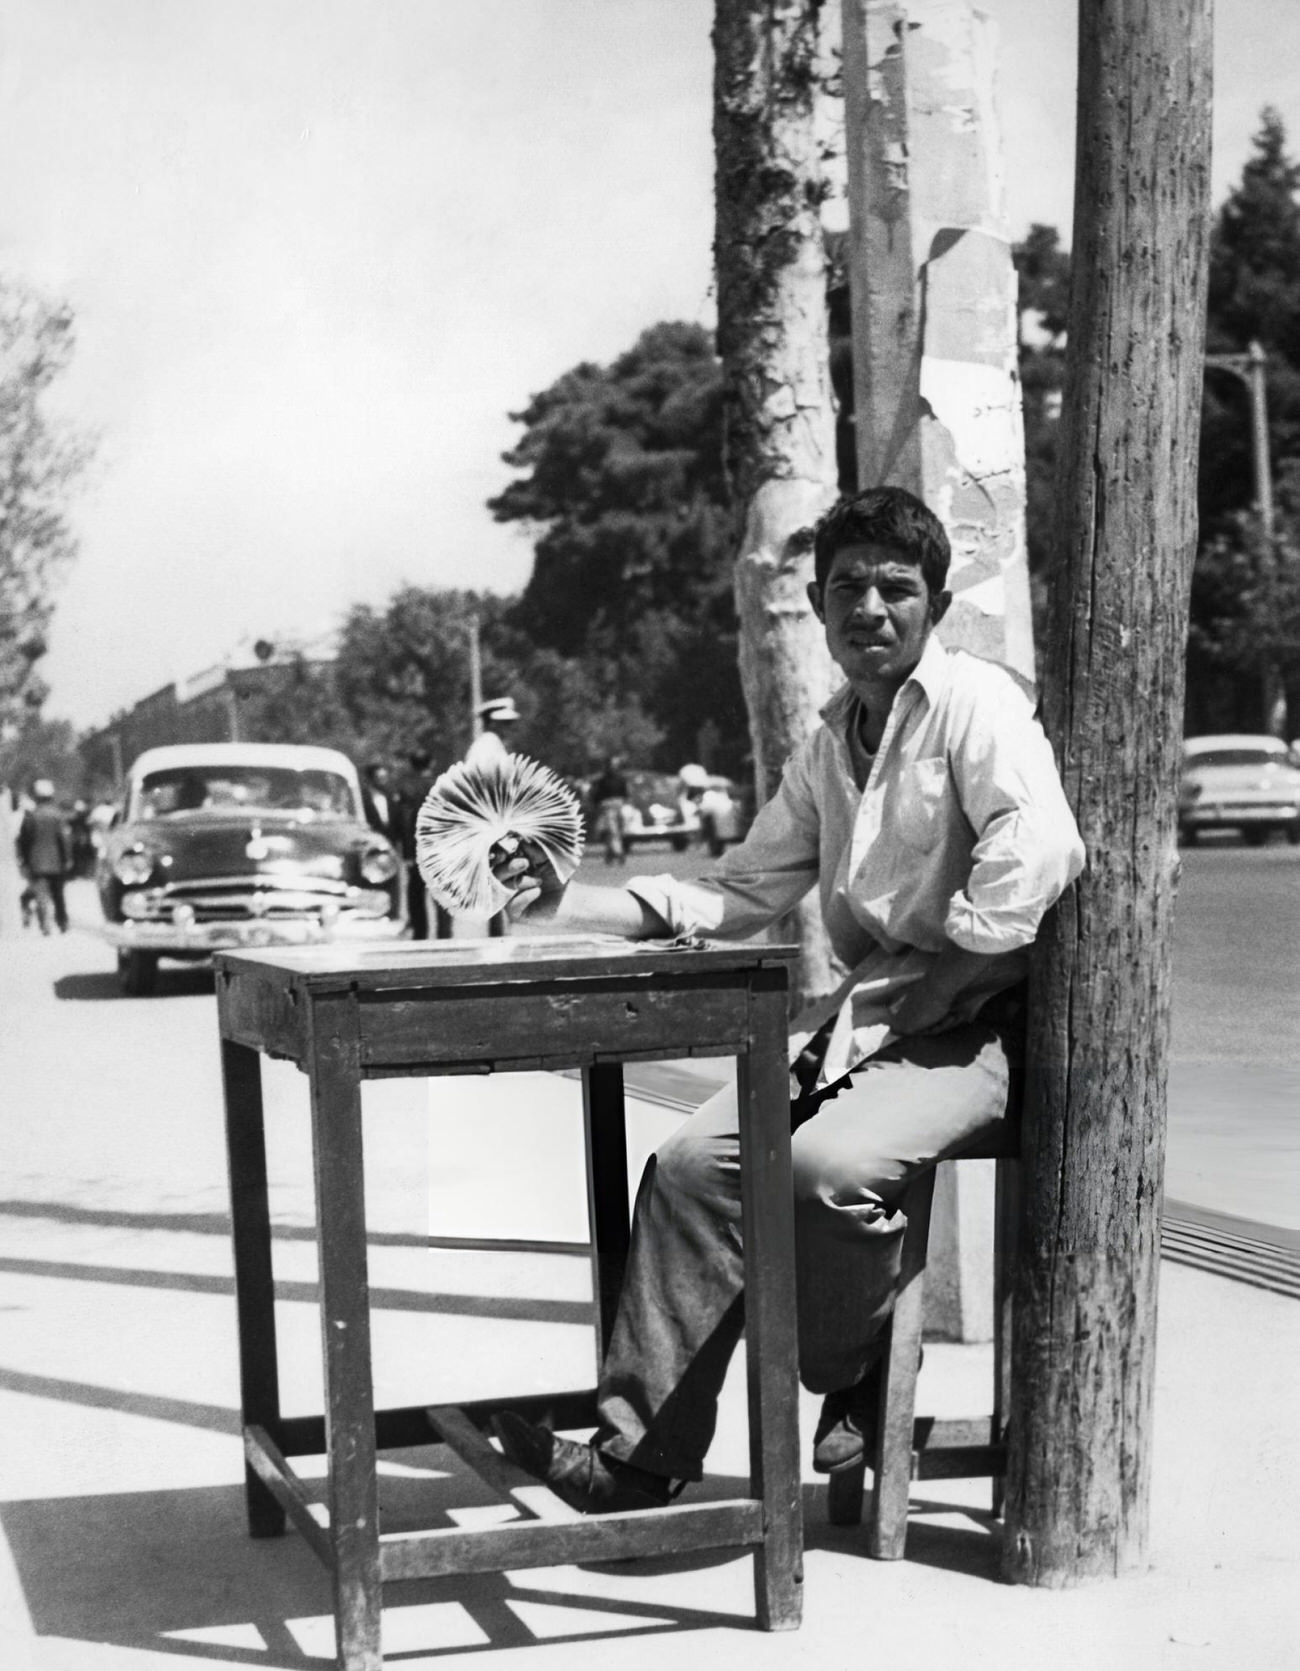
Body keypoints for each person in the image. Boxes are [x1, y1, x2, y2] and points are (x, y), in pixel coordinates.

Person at [487, 485, 1085, 1514]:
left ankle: (844, 1365)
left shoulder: (975, 704)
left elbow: (1039, 849)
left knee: (822, 1165)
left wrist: (951, 975)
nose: (870, 609)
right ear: (814, 602)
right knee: (686, 1167)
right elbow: (739, 893)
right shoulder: (828, 744)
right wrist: (566, 899)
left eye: (896, 589)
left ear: (934, 606)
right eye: (847, 587)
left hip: (981, 1026)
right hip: (879, 1014)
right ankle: (640, 1458)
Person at [16, 780, 74, 935]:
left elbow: (24, 841)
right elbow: (64, 839)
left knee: (40, 893)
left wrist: (24, 861)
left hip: (36, 862)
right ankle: (62, 922)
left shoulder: (31, 816)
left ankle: (44, 924)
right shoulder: (58, 815)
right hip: (56, 862)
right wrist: (67, 858)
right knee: (58, 893)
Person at [588, 755, 629, 865]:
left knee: (615, 831)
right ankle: (619, 852)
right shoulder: (603, 780)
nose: (614, 767)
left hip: (618, 805)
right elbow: (598, 795)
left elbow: (625, 794)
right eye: (612, 764)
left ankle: (609, 854)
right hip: (607, 806)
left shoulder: (621, 779)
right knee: (613, 830)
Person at [463, 696, 521, 772]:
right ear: (492, 723)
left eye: (511, 723)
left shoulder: (493, 743)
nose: (511, 727)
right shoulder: (488, 744)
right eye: (506, 723)